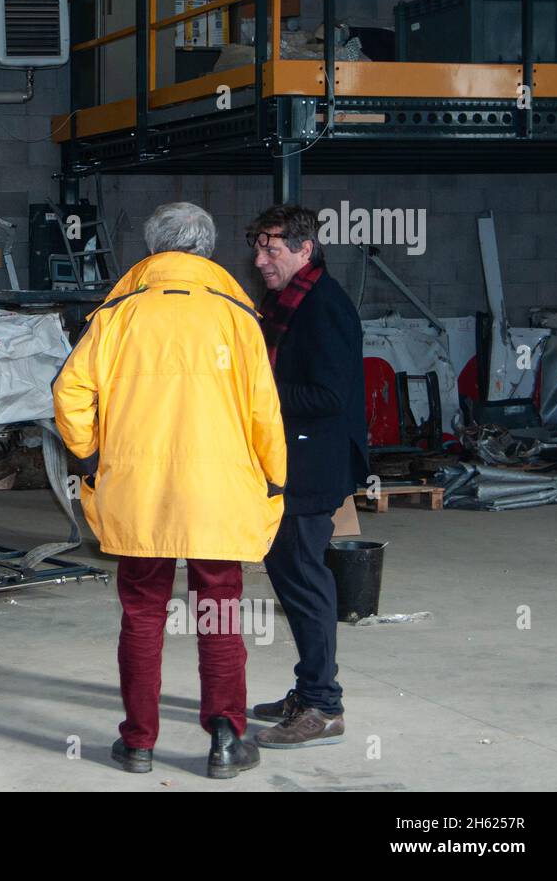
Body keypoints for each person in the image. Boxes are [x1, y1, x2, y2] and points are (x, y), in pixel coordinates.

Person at [54, 202, 287, 779]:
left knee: (142, 612)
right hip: (219, 492)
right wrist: (275, 476)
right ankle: (227, 740)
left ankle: (137, 742)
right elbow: (264, 409)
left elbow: (69, 392)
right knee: (219, 611)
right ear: (205, 251)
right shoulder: (236, 315)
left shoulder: (118, 314)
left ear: (153, 249)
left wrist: (89, 457)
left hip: (140, 490)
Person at [246, 205, 369, 749]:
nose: (260, 259)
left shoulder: (324, 307)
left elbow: (328, 396)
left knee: (304, 578)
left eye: (272, 249)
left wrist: (255, 397)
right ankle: (310, 687)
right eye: (258, 247)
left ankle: (323, 706)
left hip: (312, 466)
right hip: (292, 461)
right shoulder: (286, 303)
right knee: (292, 576)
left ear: (304, 249)